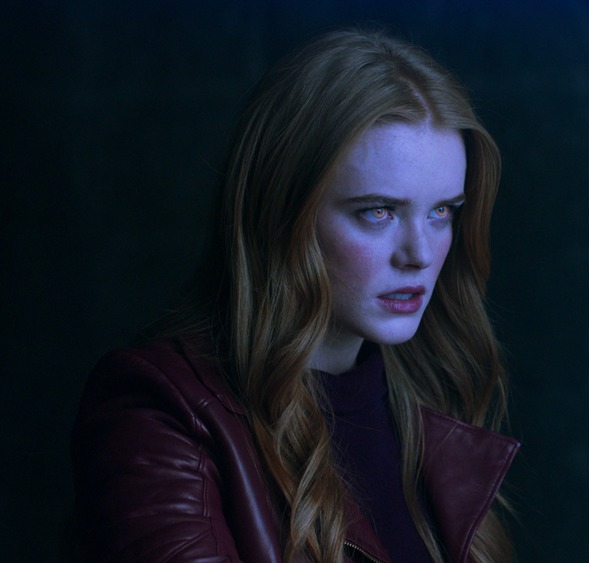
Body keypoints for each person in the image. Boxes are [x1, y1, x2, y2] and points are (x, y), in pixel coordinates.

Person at [71, 29, 518, 563]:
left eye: (442, 211)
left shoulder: (425, 411)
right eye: (378, 211)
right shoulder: (164, 411)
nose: (419, 254)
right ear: (284, 212)